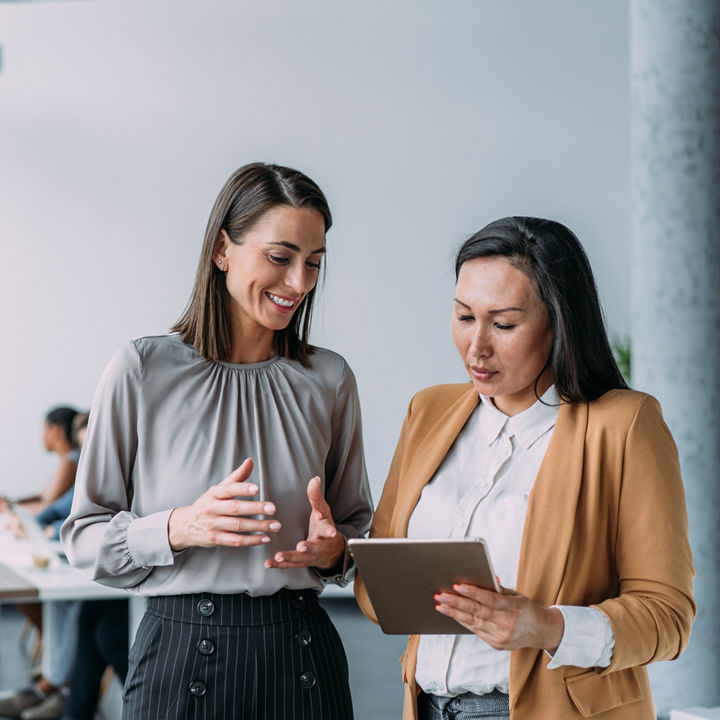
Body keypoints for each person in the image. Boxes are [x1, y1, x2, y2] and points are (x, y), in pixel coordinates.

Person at [61, 162, 373, 720]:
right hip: (180, 654)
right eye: (280, 258)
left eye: (314, 263)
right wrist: (179, 527)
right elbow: (83, 538)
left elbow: (355, 532)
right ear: (223, 249)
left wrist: (335, 554)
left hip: (303, 653)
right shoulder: (142, 370)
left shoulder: (331, 379)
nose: (300, 283)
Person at [354, 217, 695, 720]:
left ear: (560, 323)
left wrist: (546, 626)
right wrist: (338, 555)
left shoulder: (624, 424)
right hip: (424, 707)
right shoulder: (428, 412)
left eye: (505, 324)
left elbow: (667, 618)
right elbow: (379, 595)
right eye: (464, 317)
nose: (477, 347)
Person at [0, 409, 86, 720]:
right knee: (55, 601)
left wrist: (14, 509)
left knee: (63, 603)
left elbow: (55, 511)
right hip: (66, 554)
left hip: (81, 563)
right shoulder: (77, 466)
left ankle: (55, 685)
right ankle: (53, 683)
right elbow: (53, 509)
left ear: (54, 430)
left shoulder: (74, 463)